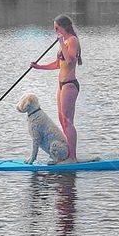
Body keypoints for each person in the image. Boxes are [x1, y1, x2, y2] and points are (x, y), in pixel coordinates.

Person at [30, 14, 82, 163]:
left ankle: (72, 157)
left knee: (68, 121)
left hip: (70, 84)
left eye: (56, 28)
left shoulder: (72, 40)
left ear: (63, 27)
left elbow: (70, 60)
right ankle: (66, 155)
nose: (55, 31)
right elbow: (58, 64)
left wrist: (61, 43)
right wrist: (38, 67)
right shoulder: (64, 41)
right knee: (62, 119)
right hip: (61, 84)